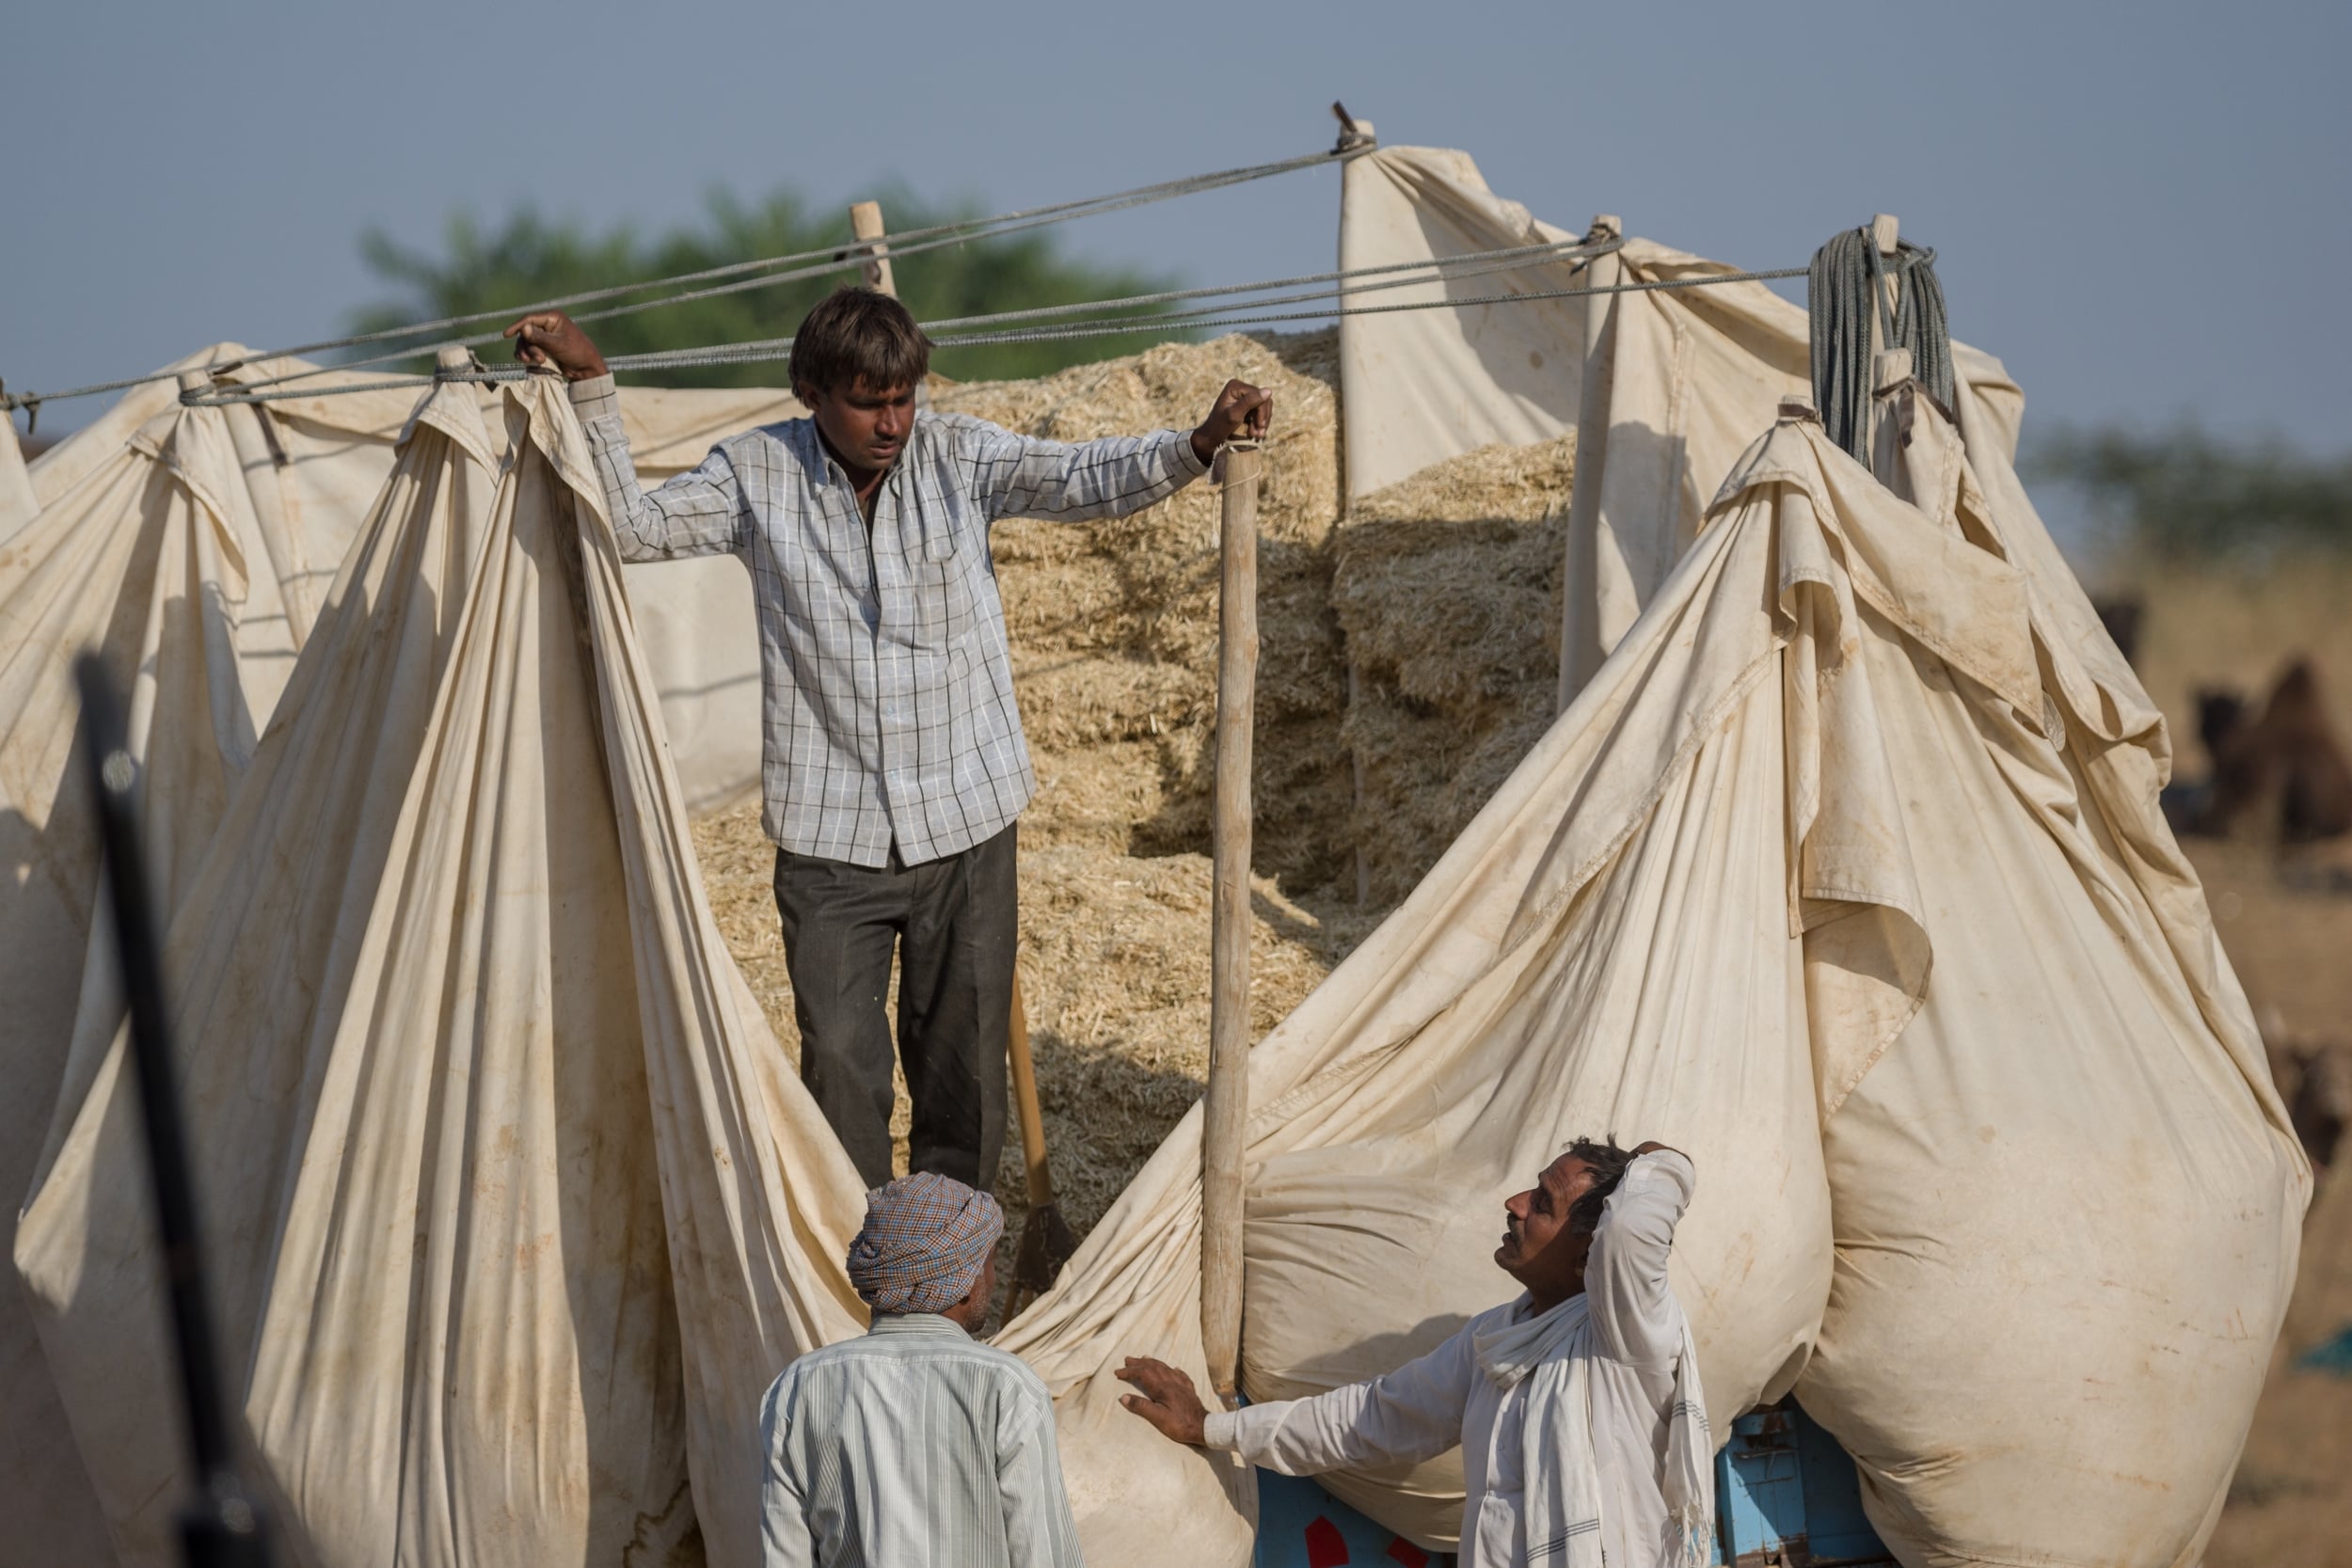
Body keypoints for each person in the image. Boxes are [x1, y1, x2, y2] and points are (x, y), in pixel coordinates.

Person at [507, 292, 1270, 1189]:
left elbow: (1079, 479)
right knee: (837, 1066)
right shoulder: (756, 475)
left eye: (903, 398)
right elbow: (633, 529)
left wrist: (1198, 443)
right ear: (810, 393)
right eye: (870, 402)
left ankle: (952, 1274)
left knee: (964, 1074)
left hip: (967, 823)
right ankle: (862, 1276)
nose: (892, 422)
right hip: (831, 843)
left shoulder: (958, 454)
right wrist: (594, 384)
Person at [1116, 1139, 1712, 1568]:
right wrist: (1212, 1428)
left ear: (1592, 1254)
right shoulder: (1493, 1342)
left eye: (1545, 1204)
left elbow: (1634, 1222)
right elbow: (1371, 1420)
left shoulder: (1626, 1336)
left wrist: (1660, 1159)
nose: (1515, 1202)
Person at [757, 1171, 1085, 1567]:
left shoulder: (797, 1387)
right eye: (989, 1264)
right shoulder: (1007, 1386)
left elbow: (784, 1557)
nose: (992, 1280)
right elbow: (1044, 1558)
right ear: (964, 1282)